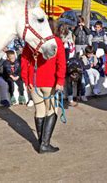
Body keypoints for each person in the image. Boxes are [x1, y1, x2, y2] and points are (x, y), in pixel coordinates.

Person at [21, 22, 66, 154]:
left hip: (34, 81)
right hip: (50, 81)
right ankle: (45, 144)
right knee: (52, 111)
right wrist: (60, 81)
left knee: (39, 111)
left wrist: (26, 80)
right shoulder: (56, 41)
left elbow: (24, 61)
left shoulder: (31, 42)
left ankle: (41, 142)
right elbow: (61, 63)